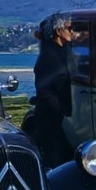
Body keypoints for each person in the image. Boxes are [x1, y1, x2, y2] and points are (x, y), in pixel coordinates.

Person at [31, 13, 75, 165]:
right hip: (51, 118)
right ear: (59, 31)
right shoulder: (50, 56)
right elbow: (45, 90)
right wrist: (60, 110)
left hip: (55, 114)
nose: (72, 32)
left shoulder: (58, 52)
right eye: (69, 29)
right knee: (55, 158)